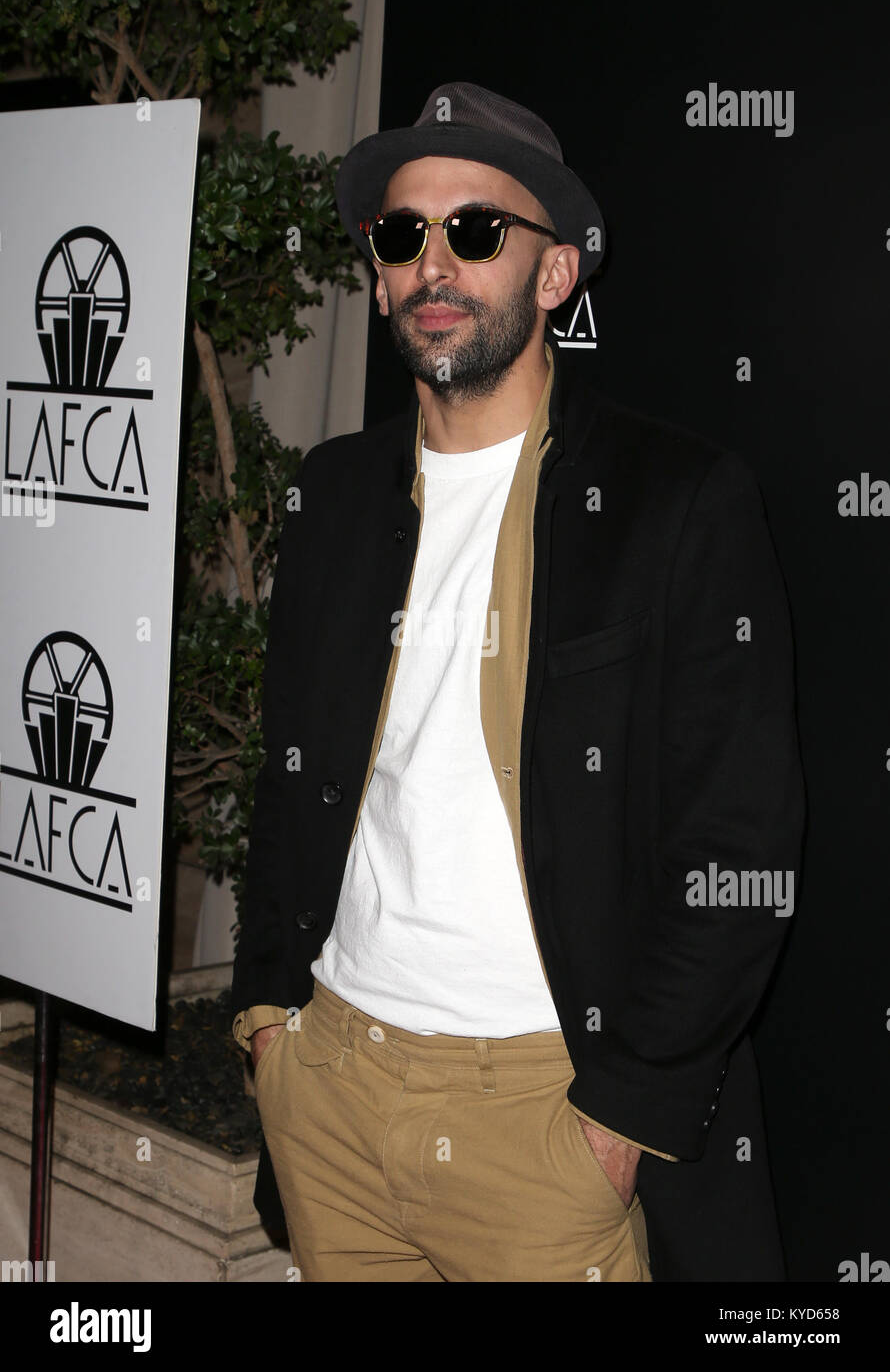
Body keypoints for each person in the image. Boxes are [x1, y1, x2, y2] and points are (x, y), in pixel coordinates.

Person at [230, 81, 806, 1282]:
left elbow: (739, 841)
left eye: (475, 230)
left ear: (554, 275)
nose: (432, 261)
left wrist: (613, 1127)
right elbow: (285, 781)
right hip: (329, 1084)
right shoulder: (333, 496)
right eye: (401, 235)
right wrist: (263, 1026)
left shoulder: (675, 504)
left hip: (541, 1122)